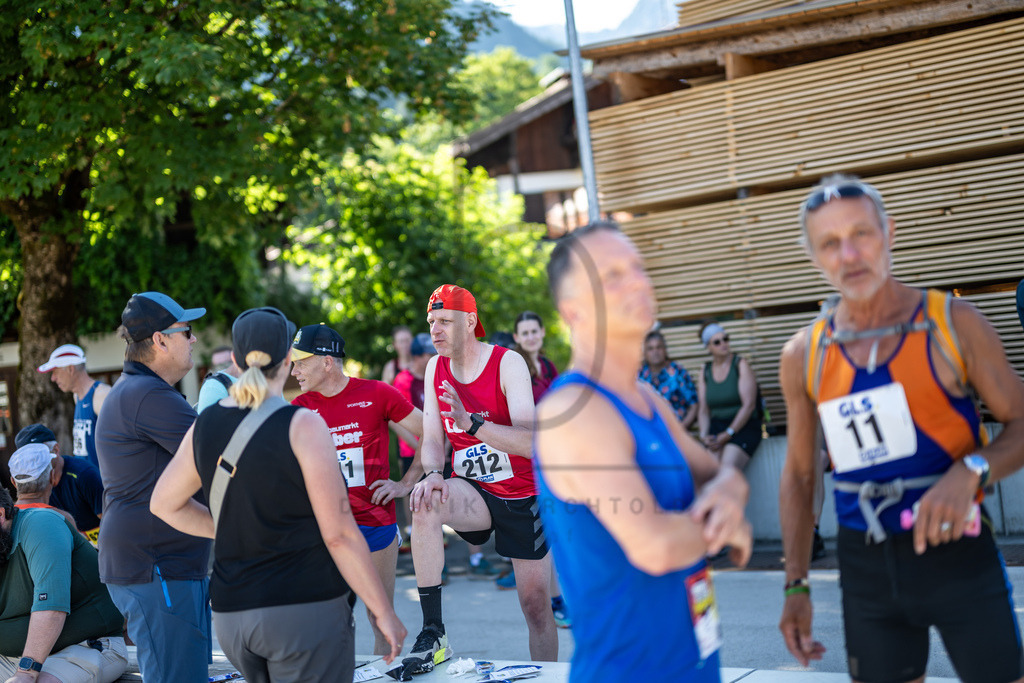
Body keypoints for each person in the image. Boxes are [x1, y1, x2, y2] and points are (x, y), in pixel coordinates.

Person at [778, 174, 1024, 682]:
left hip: (960, 552)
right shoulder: (805, 353)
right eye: (830, 243)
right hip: (866, 567)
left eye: (861, 234)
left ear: (888, 232)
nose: (849, 255)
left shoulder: (953, 323)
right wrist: (796, 585)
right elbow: (801, 476)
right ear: (813, 257)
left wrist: (972, 470)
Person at [534, 221, 752, 681]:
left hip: (696, 663)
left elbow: (716, 473)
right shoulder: (576, 410)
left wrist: (731, 490)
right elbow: (655, 546)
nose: (636, 281)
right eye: (612, 276)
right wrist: (728, 526)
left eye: (637, 268)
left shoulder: (647, 398)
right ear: (573, 311)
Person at [151, 307, 405, 682]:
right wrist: (383, 611)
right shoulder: (303, 424)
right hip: (302, 609)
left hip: (233, 616)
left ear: (236, 360)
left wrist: (229, 529)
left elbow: (163, 504)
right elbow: (338, 534)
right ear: (288, 359)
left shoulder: (205, 424)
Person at [405, 284, 557, 673]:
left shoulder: (508, 363)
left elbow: (530, 443)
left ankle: (547, 676)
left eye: (445, 321)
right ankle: (433, 630)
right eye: (431, 321)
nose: (435, 330)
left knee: (536, 606)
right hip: (472, 490)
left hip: (522, 494)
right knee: (425, 501)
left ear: (470, 321)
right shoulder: (435, 368)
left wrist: (473, 424)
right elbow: (433, 439)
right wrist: (433, 474)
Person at [95, 291, 211, 683]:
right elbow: (221, 454)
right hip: (157, 567)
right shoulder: (147, 395)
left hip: (158, 566)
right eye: (187, 331)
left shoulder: (139, 391)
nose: (194, 339)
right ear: (160, 340)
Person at [290, 323, 424, 656]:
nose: (294, 372)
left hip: (375, 524)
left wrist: (406, 484)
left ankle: (385, 674)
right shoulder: (299, 407)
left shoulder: (377, 393)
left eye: (300, 363)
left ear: (326, 362)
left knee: (380, 620)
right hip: (325, 528)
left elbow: (431, 433)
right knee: (330, 621)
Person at [0, 479, 126, 683]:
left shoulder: (40, 524)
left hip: (83, 648)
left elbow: (51, 609)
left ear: (0, 514)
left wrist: (25, 673)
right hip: (9, 658)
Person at [505, 311, 570, 629]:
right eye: (525, 332)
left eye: (535, 331)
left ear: (542, 332)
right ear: (517, 337)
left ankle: (561, 597)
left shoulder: (548, 366)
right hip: (529, 457)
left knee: (558, 527)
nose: (530, 336)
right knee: (546, 530)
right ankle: (554, 603)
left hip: (554, 451)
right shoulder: (515, 368)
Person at [14, 424, 103, 541]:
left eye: (40, 454)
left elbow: (111, 519)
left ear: (56, 450)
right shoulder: (31, 483)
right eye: (26, 457)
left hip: (100, 543)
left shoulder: (84, 475)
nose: (34, 461)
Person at [697, 322, 762, 470]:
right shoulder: (705, 370)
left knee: (727, 467)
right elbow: (703, 410)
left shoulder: (740, 364)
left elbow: (749, 405)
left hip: (743, 426)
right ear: (708, 347)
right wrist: (704, 436)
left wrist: (728, 433)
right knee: (709, 469)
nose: (723, 344)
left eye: (725, 339)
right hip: (718, 427)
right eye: (717, 342)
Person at [37, 344, 110, 470]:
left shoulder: (101, 395)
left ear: (71, 369)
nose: (53, 378)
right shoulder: (77, 397)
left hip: (102, 479)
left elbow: (123, 442)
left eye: (55, 371)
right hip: (86, 477)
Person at [639, 329, 698, 430]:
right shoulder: (639, 375)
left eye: (659, 347)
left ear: (665, 350)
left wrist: (679, 431)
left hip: (676, 429)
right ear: (645, 353)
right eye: (650, 349)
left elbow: (694, 406)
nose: (655, 352)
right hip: (648, 432)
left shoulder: (678, 372)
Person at [196, 345, 242, 413]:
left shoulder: (249, 382)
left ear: (234, 360)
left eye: (225, 364)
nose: (221, 370)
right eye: (216, 366)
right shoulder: (212, 387)